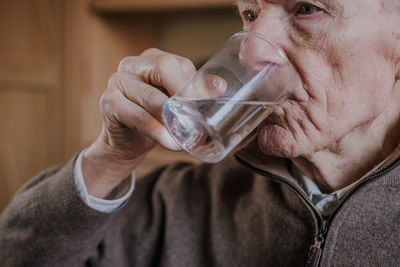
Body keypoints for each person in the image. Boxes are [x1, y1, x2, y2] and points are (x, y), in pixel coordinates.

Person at [1, 0, 400, 266]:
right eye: (249, 13)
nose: (250, 52)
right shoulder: (184, 200)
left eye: (307, 8)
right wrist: (109, 160)